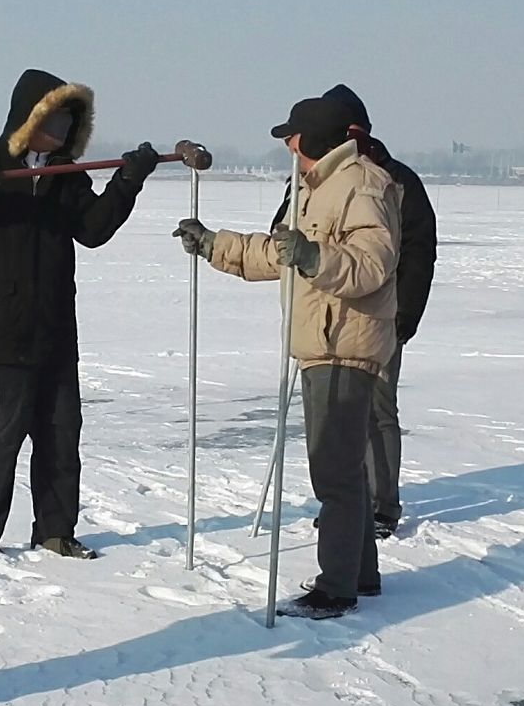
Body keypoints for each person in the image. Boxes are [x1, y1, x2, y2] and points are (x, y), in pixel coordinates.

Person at [0, 69, 160, 564]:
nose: (63, 130)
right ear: (30, 117)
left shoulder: (65, 178)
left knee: (61, 439)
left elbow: (93, 229)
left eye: (70, 122)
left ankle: (56, 532)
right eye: (55, 118)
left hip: (55, 336)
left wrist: (129, 182)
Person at [179, 97, 399, 617]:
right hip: (322, 341)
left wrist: (313, 255)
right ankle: (360, 574)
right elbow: (280, 254)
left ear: (317, 139)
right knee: (341, 467)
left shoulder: (361, 184)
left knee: (334, 471)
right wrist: (214, 245)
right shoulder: (316, 188)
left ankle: (337, 587)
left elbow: (372, 265)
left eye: (293, 136)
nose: (287, 145)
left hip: (343, 343)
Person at [315, 84, 436, 538]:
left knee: (377, 412)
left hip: (382, 318)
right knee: (337, 413)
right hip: (325, 317)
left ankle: (382, 506)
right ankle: (347, 505)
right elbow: (285, 227)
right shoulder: (318, 176)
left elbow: (419, 253)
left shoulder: (397, 181)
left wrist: (405, 317)